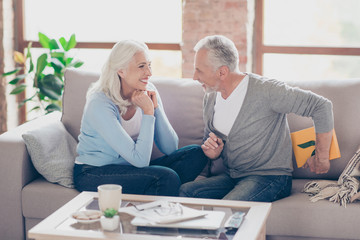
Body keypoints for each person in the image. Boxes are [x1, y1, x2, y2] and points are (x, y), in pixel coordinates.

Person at [179, 35, 334, 202]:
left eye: (199, 70)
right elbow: (211, 143)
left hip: (270, 177)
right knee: (186, 192)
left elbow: (321, 106)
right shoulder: (210, 97)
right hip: (234, 176)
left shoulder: (266, 91)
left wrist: (322, 156)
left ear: (222, 72)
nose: (194, 77)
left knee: (229, 207)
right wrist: (213, 153)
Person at [73, 40, 207, 196]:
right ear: (121, 71)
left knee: (196, 154)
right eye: (141, 66)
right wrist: (148, 113)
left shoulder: (148, 89)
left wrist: (155, 109)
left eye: (149, 65)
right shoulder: (100, 103)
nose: (149, 73)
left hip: (130, 168)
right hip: (93, 172)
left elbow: (170, 148)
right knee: (167, 178)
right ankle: (158, 194)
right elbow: (140, 160)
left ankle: (154, 190)